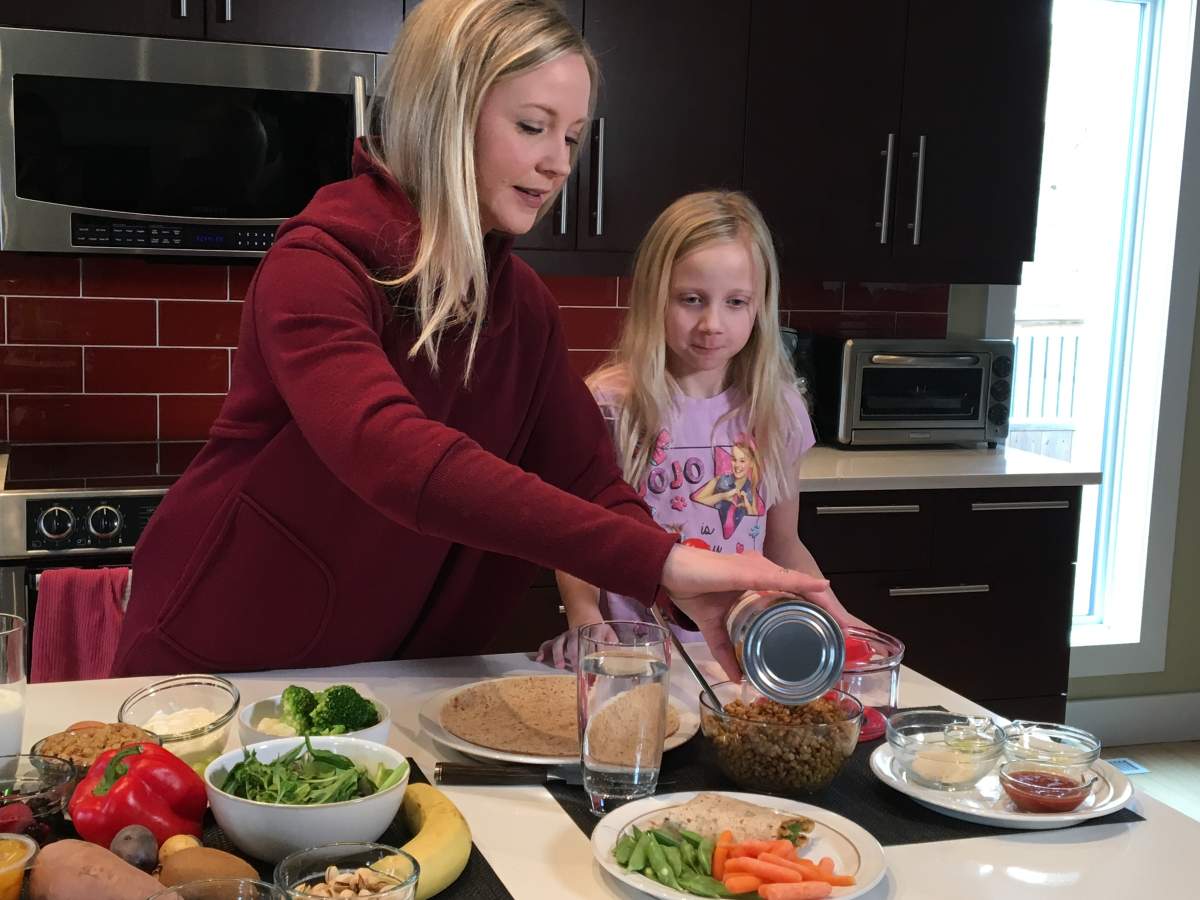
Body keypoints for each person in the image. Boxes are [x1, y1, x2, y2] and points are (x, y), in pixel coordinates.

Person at [112, 0, 832, 682]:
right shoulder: (319, 264)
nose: (559, 163)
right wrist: (660, 561)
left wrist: (690, 581)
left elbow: (589, 484)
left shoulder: (525, 310)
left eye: (572, 136)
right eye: (532, 125)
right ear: (448, 111)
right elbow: (391, 453)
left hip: (394, 676)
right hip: (217, 664)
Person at [538, 191, 869, 671]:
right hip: (630, 654)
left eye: (736, 302)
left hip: (739, 651)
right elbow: (577, 537)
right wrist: (587, 621)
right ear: (656, 296)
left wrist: (842, 620)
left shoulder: (778, 410)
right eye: (691, 300)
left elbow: (783, 545)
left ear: (760, 307)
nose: (713, 324)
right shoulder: (610, 405)